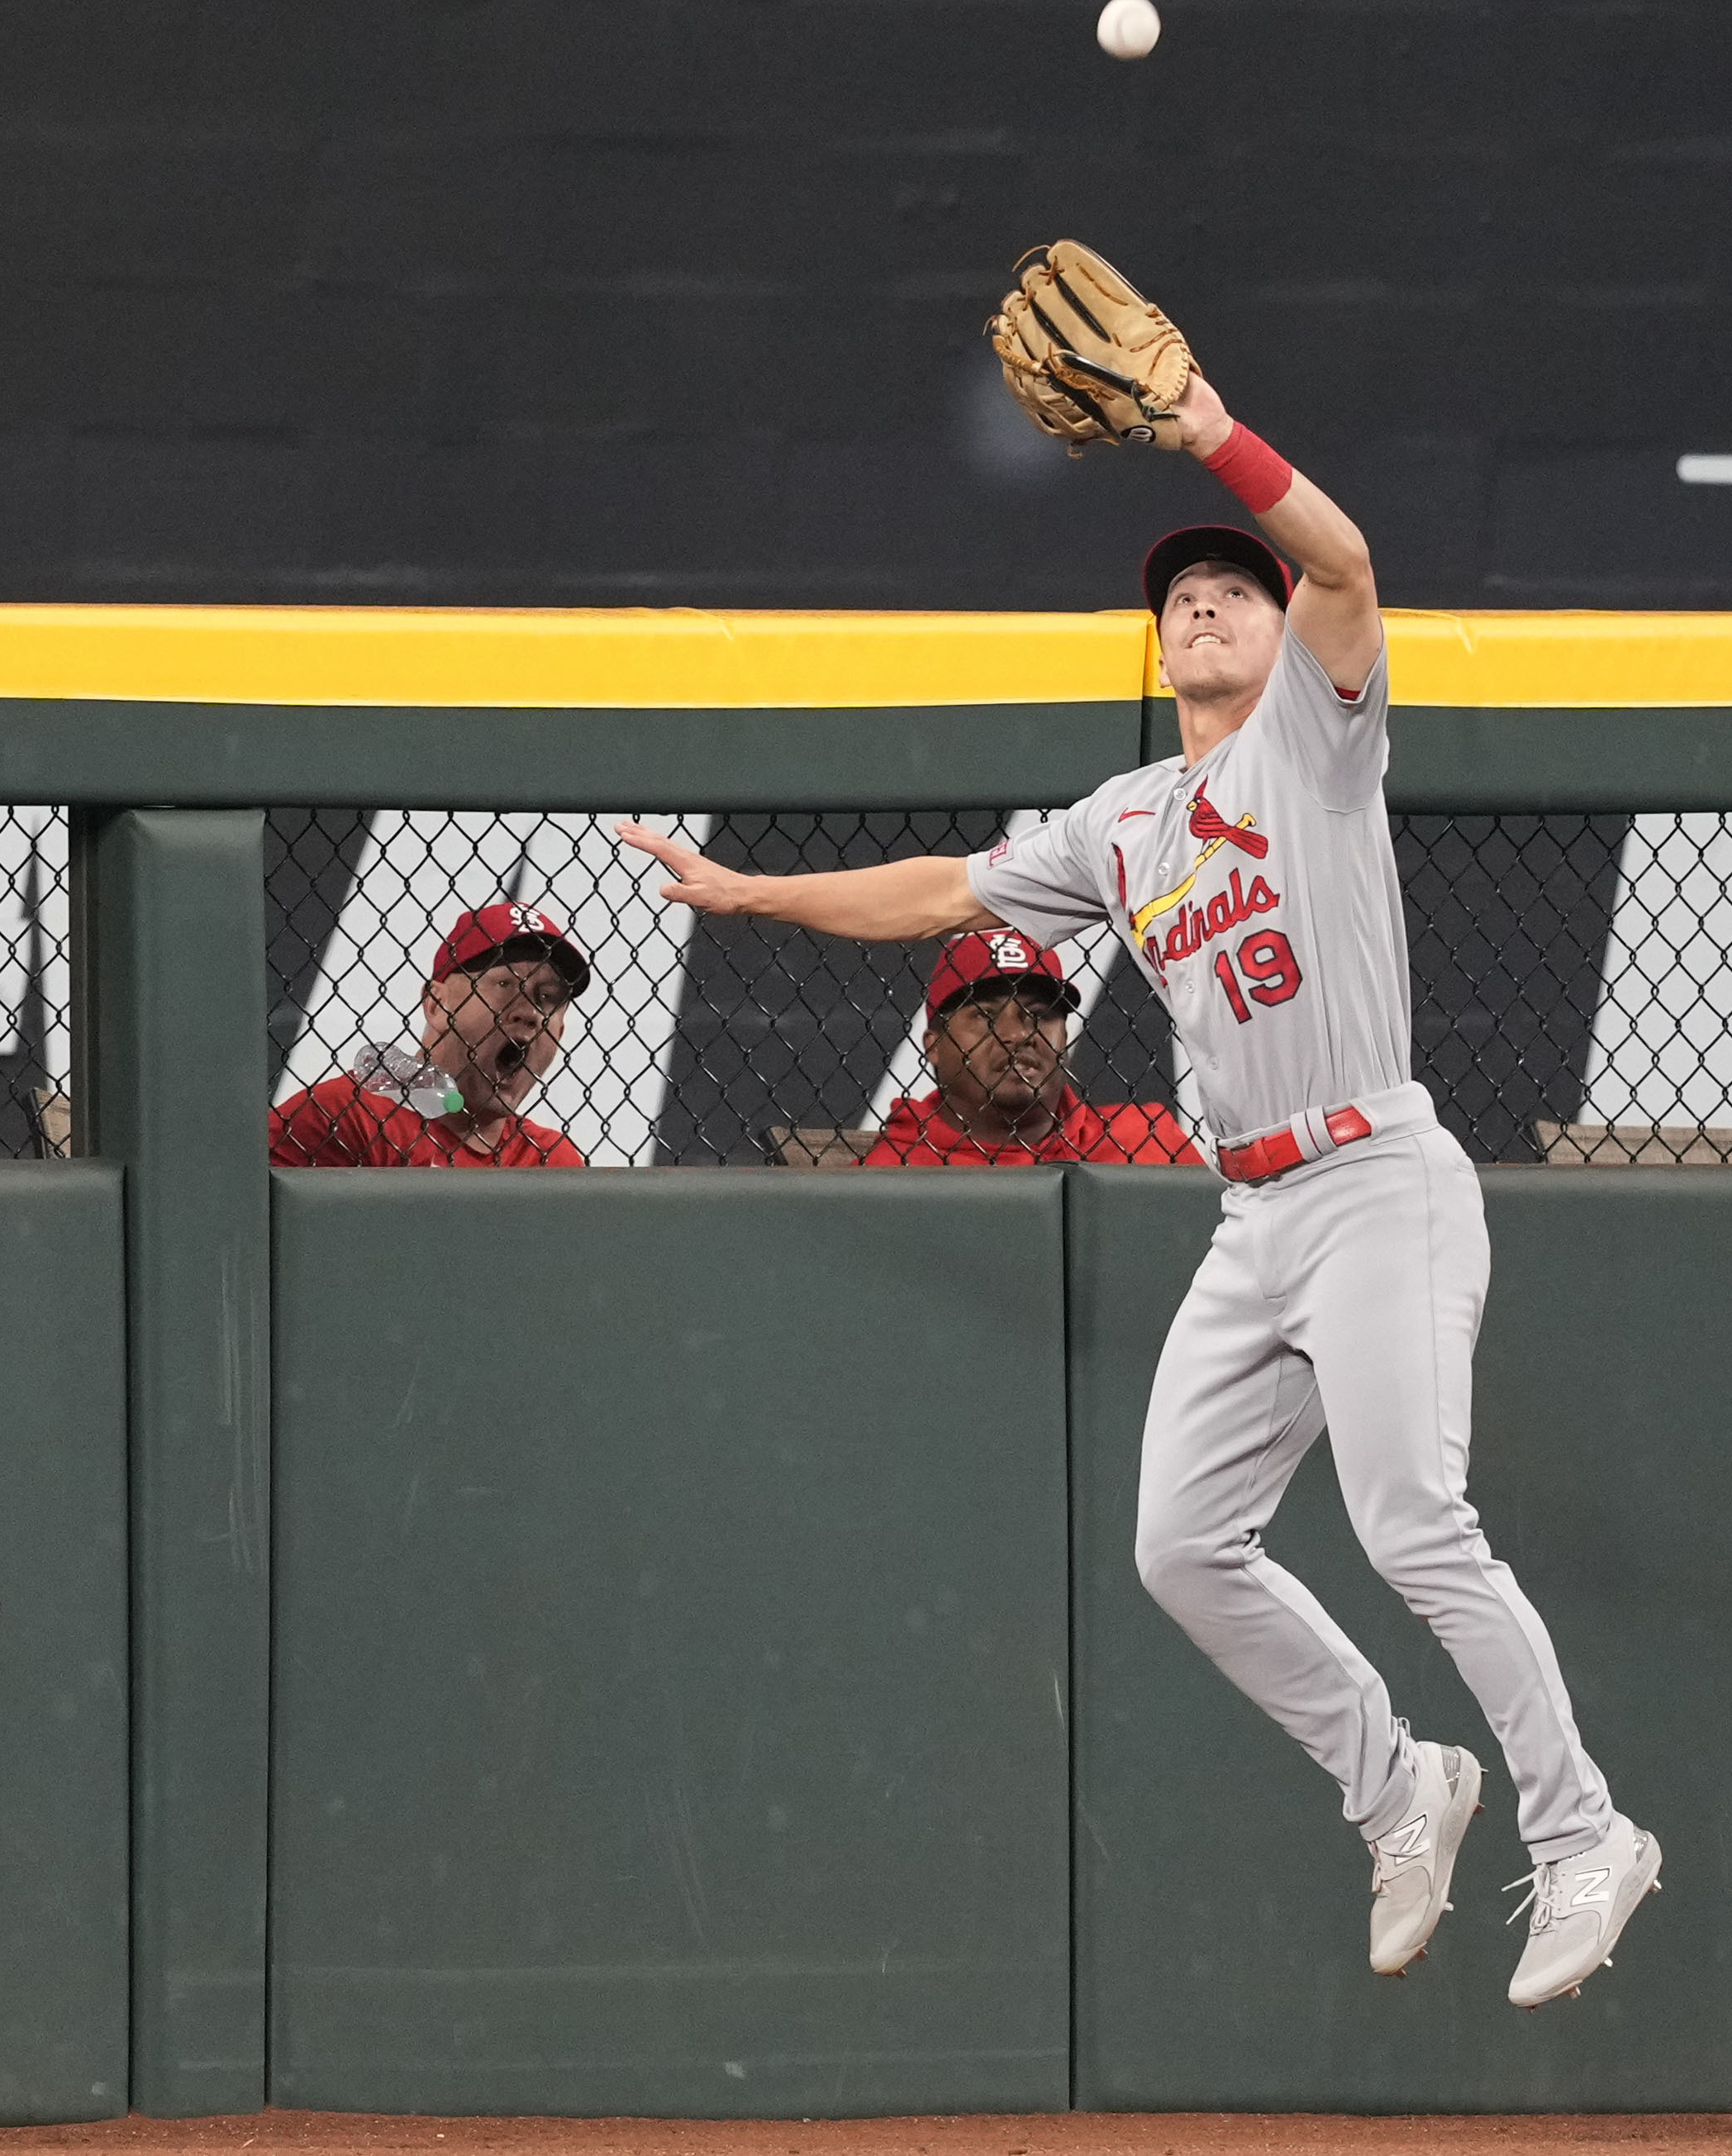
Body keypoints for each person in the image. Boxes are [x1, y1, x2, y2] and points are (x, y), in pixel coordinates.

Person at [618, 358, 1657, 2009]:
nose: (1205, 608)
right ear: (1155, 641)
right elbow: (941, 890)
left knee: (1407, 1517)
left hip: (1379, 1174)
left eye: (1232, 588)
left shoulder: (1317, 742)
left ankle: (1586, 1826)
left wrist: (1204, 433)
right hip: (1254, 1214)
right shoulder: (1123, 824)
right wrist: (746, 893)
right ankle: (1400, 1785)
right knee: (1179, 1545)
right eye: (1182, 595)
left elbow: (1351, 561)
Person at [270, 902, 589, 1169]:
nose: (530, 1013)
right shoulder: (346, 1117)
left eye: (548, 997)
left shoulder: (548, 1161)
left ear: (560, 1031)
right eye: (505, 985)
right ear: (437, 1005)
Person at [867, 929, 1204, 1168]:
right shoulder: (893, 1171)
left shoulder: (1146, 1142)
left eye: (1039, 1014)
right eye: (985, 1016)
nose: (1016, 1034)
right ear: (935, 1045)